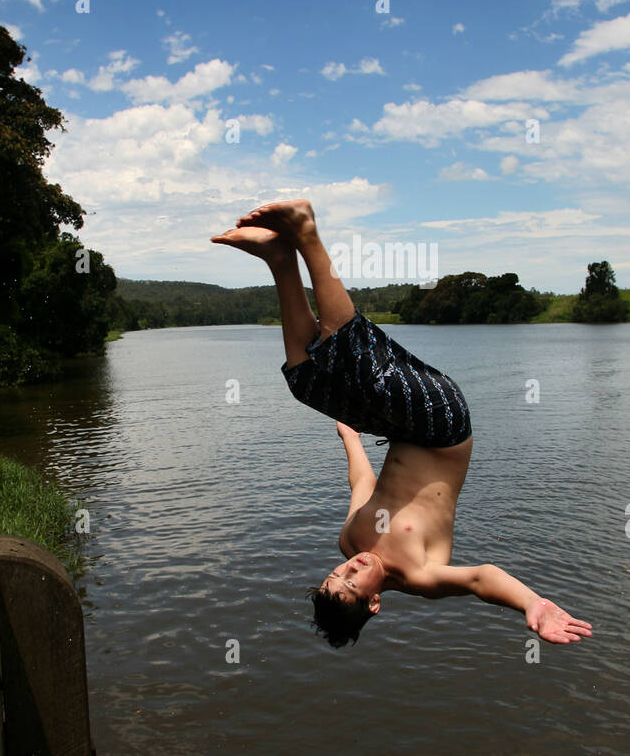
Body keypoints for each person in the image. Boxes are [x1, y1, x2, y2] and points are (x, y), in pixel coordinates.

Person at [211, 200, 593, 651]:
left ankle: (281, 260)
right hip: (443, 423)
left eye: (338, 573)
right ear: (374, 602)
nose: (350, 567)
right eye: (353, 581)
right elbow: (480, 579)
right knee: (359, 367)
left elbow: (363, 481)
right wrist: (533, 604)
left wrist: (350, 436)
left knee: (306, 383)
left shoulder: (351, 539)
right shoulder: (420, 575)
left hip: (397, 424)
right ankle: (306, 234)